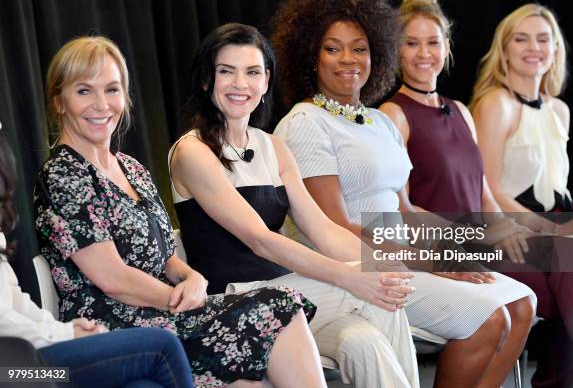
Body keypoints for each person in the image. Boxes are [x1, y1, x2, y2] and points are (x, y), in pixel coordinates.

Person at [271, 0, 536, 388]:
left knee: (523, 303)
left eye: (360, 48)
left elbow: (406, 210)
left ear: (377, 53)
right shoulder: (306, 123)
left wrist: (458, 247)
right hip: (356, 271)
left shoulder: (377, 121)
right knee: (490, 318)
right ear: (310, 55)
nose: (348, 60)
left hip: (404, 259)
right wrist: (432, 261)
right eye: (332, 49)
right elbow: (335, 229)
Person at [32, 36, 325, 388]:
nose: (101, 104)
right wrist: (181, 299)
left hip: (163, 312)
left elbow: (167, 257)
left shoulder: (132, 169)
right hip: (113, 327)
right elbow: (112, 278)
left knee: (262, 354)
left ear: (124, 97)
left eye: (111, 90)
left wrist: (193, 279)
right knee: (278, 307)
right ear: (58, 101)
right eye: (83, 91)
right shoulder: (64, 174)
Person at [169, 22, 418, 388]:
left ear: (266, 81)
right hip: (232, 301)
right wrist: (355, 275)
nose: (241, 84)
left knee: (368, 343)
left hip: (286, 296)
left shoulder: (273, 146)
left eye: (252, 72)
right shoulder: (192, 151)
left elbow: (324, 230)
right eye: (227, 71)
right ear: (207, 80)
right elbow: (260, 240)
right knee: (375, 295)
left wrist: (387, 263)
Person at [380, 0, 573, 388]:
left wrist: (507, 227)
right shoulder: (393, 114)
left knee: (570, 251)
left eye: (432, 42)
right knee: (565, 292)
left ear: (447, 47)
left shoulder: (460, 110)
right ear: (395, 51)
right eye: (411, 43)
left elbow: (482, 192)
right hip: (445, 250)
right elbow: (400, 207)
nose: (423, 53)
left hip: (484, 240)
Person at [0, 122, 194, 388]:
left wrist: (66, 332)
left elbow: (14, 304)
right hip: (16, 375)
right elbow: (3, 325)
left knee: (143, 385)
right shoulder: (61, 173)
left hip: (21, 363)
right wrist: (65, 332)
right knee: (161, 347)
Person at [469, 3, 573, 235]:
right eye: (521, 39)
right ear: (504, 50)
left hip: (562, 222)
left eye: (543, 39)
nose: (533, 47)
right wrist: (551, 230)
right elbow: (486, 189)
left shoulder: (559, 110)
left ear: (555, 50)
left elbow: (555, 185)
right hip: (516, 231)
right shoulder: (496, 105)